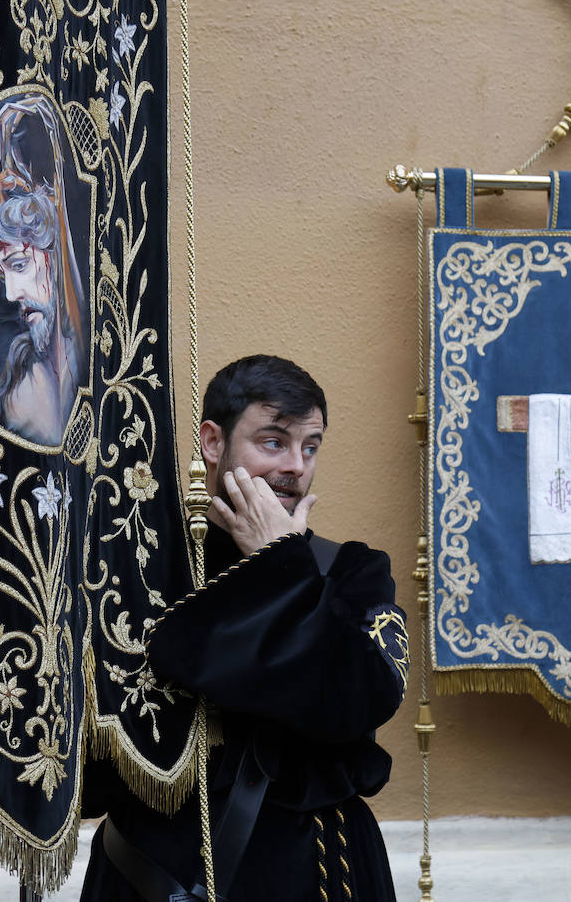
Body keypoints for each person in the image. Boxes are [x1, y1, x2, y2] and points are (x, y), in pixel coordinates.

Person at [81, 355, 408, 902]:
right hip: (150, 872)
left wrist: (281, 563)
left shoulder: (353, 570)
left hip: (321, 869)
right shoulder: (139, 568)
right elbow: (106, 756)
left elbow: (357, 704)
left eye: (311, 447)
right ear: (213, 443)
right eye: (274, 442)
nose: (297, 467)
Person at [0, 185, 87, 446]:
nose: (11, 294)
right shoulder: (19, 384)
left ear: (56, 260)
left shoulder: (90, 358)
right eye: (3, 276)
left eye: (19, 265)